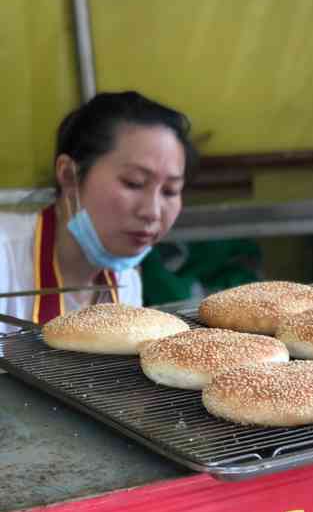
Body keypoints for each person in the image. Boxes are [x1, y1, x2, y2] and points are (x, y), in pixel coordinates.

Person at [0, 91, 198, 332]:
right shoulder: (5, 258)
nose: (153, 212)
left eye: (170, 191)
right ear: (68, 175)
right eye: (133, 183)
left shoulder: (126, 279)